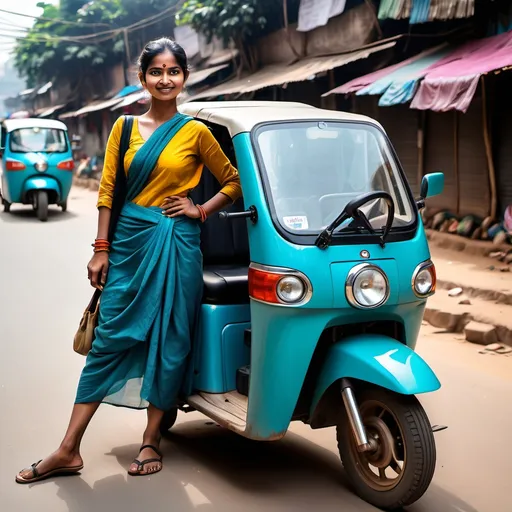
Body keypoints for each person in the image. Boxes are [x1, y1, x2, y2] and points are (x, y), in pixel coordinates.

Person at [16, 37, 241, 483]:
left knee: (171, 338)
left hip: (178, 245)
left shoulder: (196, 132)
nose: (164, 78)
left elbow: (232, 182)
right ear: (142, 78)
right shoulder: (122, 129)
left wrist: (200, 209)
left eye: (172, 71)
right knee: (109, 338)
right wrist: (101, 249)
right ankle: (67, 448)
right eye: (155, 71)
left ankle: (151, 438)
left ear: (184, 78)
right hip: (130, 242)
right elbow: (106, 193)